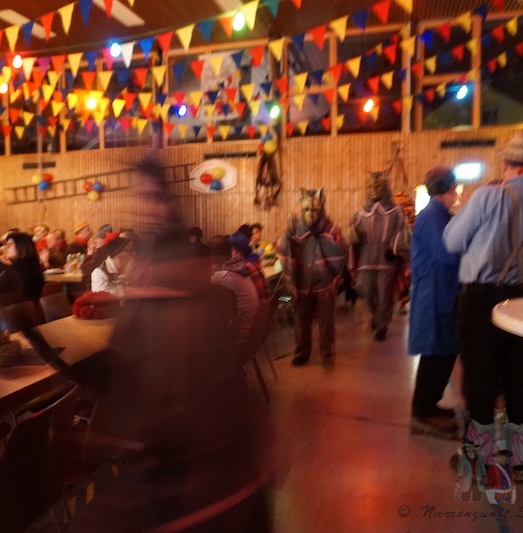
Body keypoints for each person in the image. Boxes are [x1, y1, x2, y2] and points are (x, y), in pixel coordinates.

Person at [74, 158, 271, 531]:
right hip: (190, 469)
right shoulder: (174, 285)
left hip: (193, 476)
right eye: (139, 198)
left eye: (151, 197)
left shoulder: (180, 294)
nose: (144, 208)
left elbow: (176, 390)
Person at [443, 131, 523, 443]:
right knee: (518, 377)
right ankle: (522, 454)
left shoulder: (487, 196)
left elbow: (452, 241)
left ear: (507, 163)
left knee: (479, 377)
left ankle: (478, 456)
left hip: (483, 297)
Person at [408, 167, 461, 438]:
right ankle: (422, 412)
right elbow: (446, 253)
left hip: (440, 292)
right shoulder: (433, 215)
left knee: (443, 352)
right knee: (435, 353)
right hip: (435, 294)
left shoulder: (436, 214)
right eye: (455, 189)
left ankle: (429, 405)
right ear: (449, 189)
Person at [277, 188, 347, 367]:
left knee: (326, 321)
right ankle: (302, 351)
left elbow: (342, 250)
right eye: (306, 210)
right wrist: (287, 236)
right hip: (302, 283)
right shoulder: (295, 228)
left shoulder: (330, 228)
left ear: (321, 208)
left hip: (324, 284)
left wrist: (323, 239)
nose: (310, 214)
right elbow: (281, 249)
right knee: (301, 321)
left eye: (314, 210)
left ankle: (326, 353)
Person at [350, 172, 410, 341]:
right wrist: (353, 235)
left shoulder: (396, 211)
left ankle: (382, 325)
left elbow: (402, 231)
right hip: (366, 260)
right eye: (371, 186)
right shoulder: (361, 213)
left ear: (385, 187)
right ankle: (377, 315)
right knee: (366, 291)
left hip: (386, 260)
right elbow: (354, 235)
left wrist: (395, 249)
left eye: (378, 185)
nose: (374, 189)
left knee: (384, 295)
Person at [209, 235, 260, 358]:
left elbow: (197, 288)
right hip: (252, 335)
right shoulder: (241, 268)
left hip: (237, 343)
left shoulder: (222, 277)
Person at [4, 232, 45, 302]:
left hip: (20, 306)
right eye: (6, 245)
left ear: (21, 246)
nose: (6, 248)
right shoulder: (34, 264)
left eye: (10, 245)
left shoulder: (18, 269)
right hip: (32, 306)